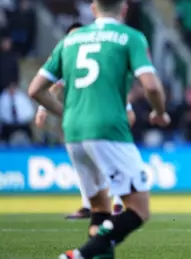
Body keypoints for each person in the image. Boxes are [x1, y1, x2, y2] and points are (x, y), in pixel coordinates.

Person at [27, 0, 171, 259]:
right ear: (124, 9)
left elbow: (35, 90)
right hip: (108, 128)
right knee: (139, 209)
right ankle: (78, 256)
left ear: (93, 8)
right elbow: (151, 86)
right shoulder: (131, 37)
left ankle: (95, 254)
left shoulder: (69, 40)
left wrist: (65, 112)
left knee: (100, 209)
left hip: (73, 132)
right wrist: (160, 112)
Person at [34, 22, 136, 220]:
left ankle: (111, 204)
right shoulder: (76, 61)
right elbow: (53, 87)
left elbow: (45, 87)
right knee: (91, 166)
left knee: (101, 163)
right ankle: (94, 206)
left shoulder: (84, 59)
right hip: (91, 118)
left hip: (99, 115)